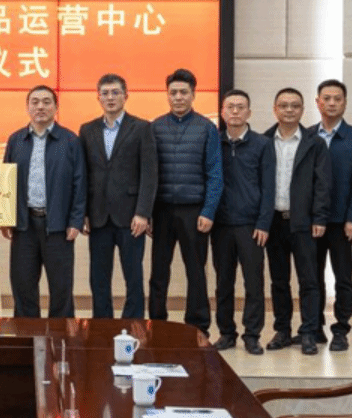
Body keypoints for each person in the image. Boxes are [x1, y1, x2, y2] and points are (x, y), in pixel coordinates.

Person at [149, 68, 223, 333]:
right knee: (159, 271)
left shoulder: (206, 128)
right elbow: (148, 174)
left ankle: (198, 326)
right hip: (161, 211)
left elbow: (215, 174)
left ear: (193, 95)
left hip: (194, 211)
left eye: (183, 92)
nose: (178, 97)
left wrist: (209, 211)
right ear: (167, 95)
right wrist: (147, 213)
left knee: (196, 271)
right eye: (173, 93)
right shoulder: (155, 127)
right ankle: (157, 323)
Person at [2, 85, 86, 318]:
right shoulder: (16, 140)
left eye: (47, 102)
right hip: (24, 225)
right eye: (35, 102)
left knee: (61, 289)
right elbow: (6, 182)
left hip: (58, 226)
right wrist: (5, 217)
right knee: (23, 287)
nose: (41, 106)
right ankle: (26, 336)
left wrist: (76, 221)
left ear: (56, 107)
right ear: (27, 107)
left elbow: (80, 182)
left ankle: (61, 337)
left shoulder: (70, 140)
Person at [79, 73, 157, 319]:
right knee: (99, 277)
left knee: (133, 276)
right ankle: (102, 325)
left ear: (126, 96)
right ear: (98, 98)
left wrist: (143, 213)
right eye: (105, 93)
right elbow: (83, 174)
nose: (110, 97)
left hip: (131, 217)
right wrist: (83, 213)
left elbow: (149, 174)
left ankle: (132, 325)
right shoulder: (87, 130)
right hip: (98, 216)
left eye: (115, 92)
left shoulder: (142, 127)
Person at [301, 80, 352, 351]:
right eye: (326, 98)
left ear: (345, 103)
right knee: (312, 277)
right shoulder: (307, 135)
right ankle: (314, 327)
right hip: (311, 221)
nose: (331, 103)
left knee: (343, 278)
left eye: (337, 99)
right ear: (317, 102)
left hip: (343, 222)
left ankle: (341, 329)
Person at [262, 87, 331, 355]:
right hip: (274, 222)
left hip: (304, 223)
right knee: (279, 280)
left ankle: (309, 332)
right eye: (283, 105)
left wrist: (320, 217)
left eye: (295, 106)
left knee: (309, 280)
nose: (289, 110)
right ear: (275, 109)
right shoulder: (264, 141)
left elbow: (323, 184)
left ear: (302, 110)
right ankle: (282, 330)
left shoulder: (315, 143)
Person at [211, 89, 275, 355]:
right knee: (223, 282)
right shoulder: (214, 142)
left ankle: (252, 334)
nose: (235, 111)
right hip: (221, 224)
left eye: (240, 107)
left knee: (254, 283)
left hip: (251, 226)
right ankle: (226, 333)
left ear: (249, 112)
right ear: (222, 112)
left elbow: (269, 187)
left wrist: (264, 223)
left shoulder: (262, 144)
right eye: (230, 107)